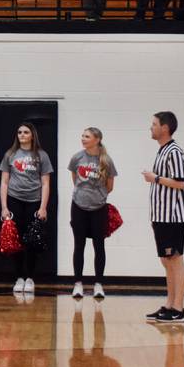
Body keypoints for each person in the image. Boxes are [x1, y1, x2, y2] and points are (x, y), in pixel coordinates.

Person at [142, 111, 184, 323]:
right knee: (166, 260)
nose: (151, 127)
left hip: (172, 217)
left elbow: (181, 183)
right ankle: (169, 305)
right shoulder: (162, 150)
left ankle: (179, 308)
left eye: (154, 124)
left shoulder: (174, 151)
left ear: (165, 128)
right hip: (160, 216)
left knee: (175, 260)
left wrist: (155, 178)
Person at [0, 123, 53, 294]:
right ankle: (19, 277)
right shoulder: (10, 154)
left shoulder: (41, 155)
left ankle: (30, 277)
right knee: (16, 241)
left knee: (31, 241)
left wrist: (43, 207)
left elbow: (45, 183)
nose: (22, 135)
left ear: (32, 135)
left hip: (34, 201)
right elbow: (4, 182)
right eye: (19, 132)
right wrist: (4, 207)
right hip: (14, 200)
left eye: (26, 132)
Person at [68, 127, 117, 299]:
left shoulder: (106, 161)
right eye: (82, 135)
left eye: (87, 136)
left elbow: (110, 186)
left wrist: (97, 196)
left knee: (99, 246)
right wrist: (84, 195)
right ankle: (78, 284)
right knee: (78, 245)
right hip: (78, 207)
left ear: (97, 139)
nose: (83, 138)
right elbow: (75, 180)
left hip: (99, 209)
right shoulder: (77, 157)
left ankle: (98, 284)